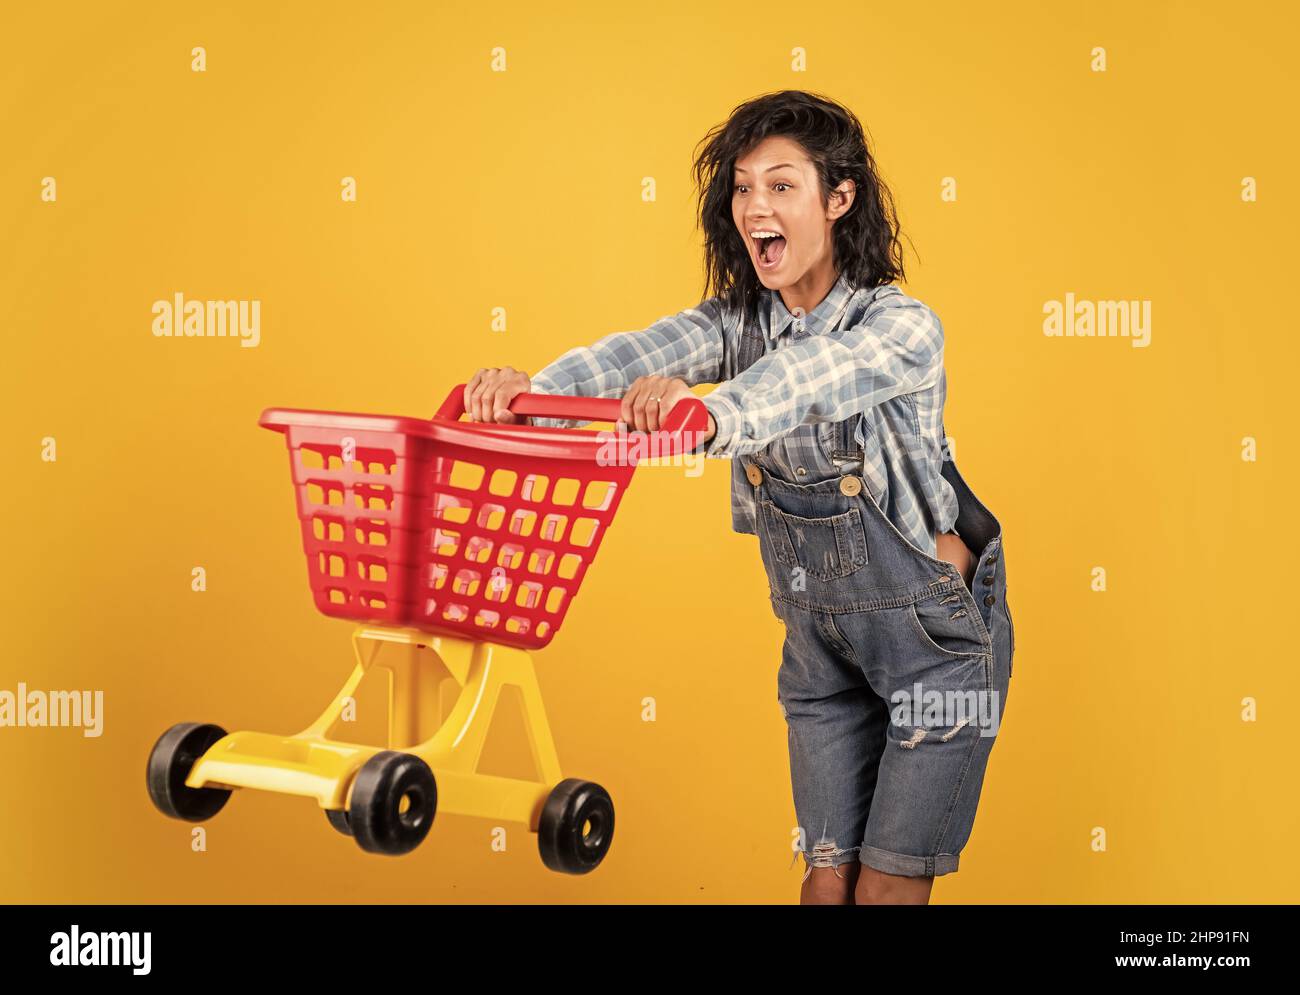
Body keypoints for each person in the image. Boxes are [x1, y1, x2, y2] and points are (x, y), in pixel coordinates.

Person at [461, 90, 1014, 905]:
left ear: (839, 197)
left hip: (932, 644)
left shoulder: (902, 328)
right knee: (825, 885)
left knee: (884, 889)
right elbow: (638, 351)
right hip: (820, 649)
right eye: (743, 186)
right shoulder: (737, 323)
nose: (757, 205)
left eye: (782, 186)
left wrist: (708, 413)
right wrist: (529, 392)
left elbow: (807, 380)